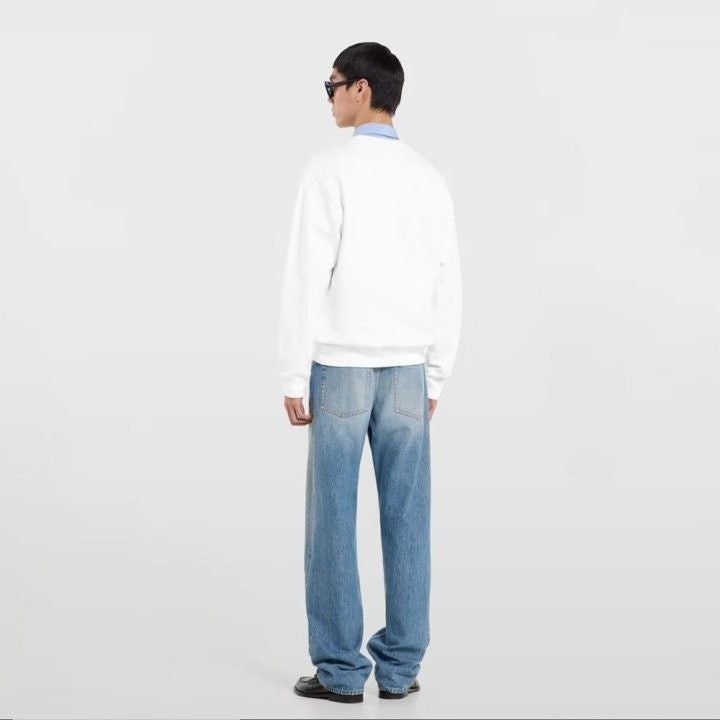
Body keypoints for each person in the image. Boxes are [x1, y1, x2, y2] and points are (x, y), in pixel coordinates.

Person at [277, 41, 463, 704]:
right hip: (408, 370)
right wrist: (435, 375)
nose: (328, 97)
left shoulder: (328, 170)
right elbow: (448, 282)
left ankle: (339, 671)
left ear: (361, 88)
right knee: (409, 519)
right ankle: (401, 668)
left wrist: (293, 374)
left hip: (341, 368)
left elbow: (306, 275)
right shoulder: (429, 178)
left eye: (331, 85)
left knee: (332, 519)